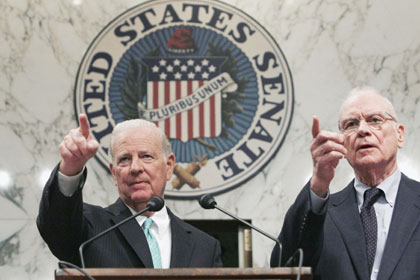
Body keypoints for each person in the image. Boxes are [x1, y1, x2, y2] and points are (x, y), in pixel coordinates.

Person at [271, 86, 420, 280]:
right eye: (351, 124)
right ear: (342, 142)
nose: (362, 130)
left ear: (399, 134)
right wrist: (318, 183)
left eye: (375, 120)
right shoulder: (321, 214)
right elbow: (282, 268)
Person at [37, 115, 222, 268]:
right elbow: (56, 226)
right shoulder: (90, 227)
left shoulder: (204, 247)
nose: (135, 167)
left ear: (169, 166)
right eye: (124, 159)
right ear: (114, 173)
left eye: (146, 156)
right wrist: (70, 167)